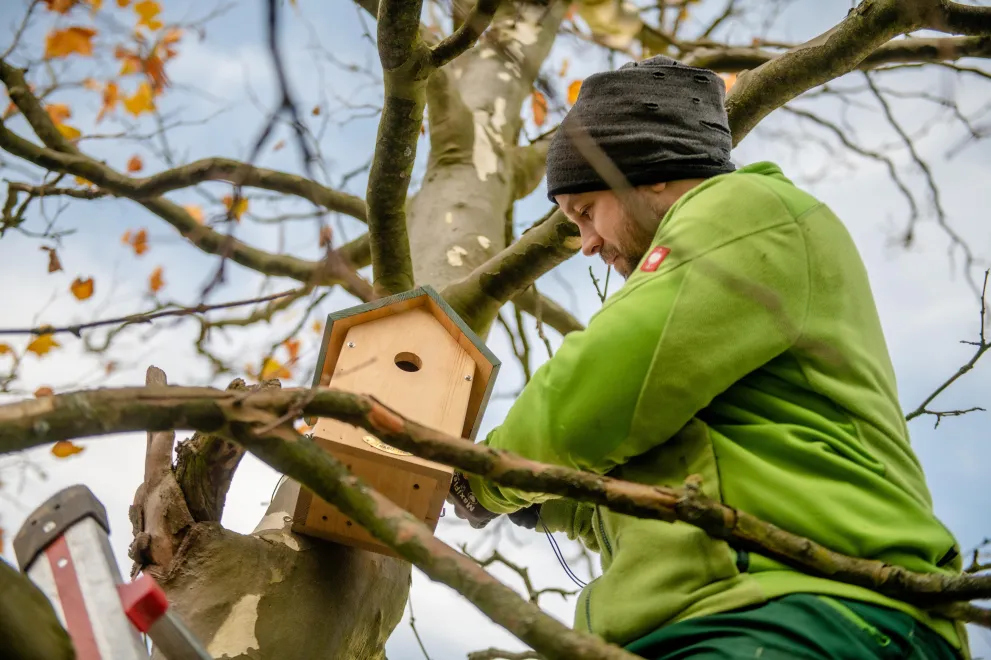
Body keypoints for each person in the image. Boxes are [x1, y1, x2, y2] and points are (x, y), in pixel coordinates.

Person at [447, 56, 970, 660]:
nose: (586, 244)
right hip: (740, 617)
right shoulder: (712, 313)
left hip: (807, 613)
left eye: (586, 212)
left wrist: (482, 475)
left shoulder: (747, 209)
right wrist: (545, 504)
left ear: (651, 174)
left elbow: (607, 387)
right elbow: (672, 473)